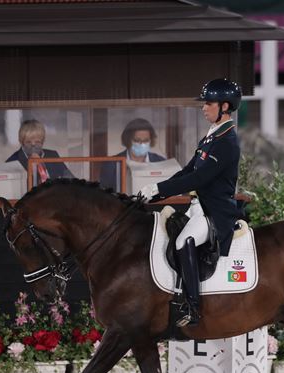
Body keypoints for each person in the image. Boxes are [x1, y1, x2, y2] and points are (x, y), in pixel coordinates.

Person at [139, 78, 243, 327]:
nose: (203, 108)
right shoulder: (210, 138)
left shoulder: (227, 141)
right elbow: (187, 172)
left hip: (216, 212)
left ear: (225, 107)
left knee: (184, 240)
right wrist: (157, 193)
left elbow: (199, 178)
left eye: (209, 103)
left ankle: (193, 306)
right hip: (200, 208)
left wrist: (160, 188)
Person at [99, 118, 166, 189]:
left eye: (146, 140)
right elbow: (105, 194)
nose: (142, 144)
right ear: (127, 140)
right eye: (137, 140)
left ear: (151, 140)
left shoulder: (160, 162)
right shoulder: (111, 165)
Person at [6, 119, 73, 183]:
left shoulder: (52, 155)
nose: (33, 145)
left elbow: (71, 179)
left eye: (37, 142)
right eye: (28, 142)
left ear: (43, 141)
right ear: (21, 141)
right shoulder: (13, 161)